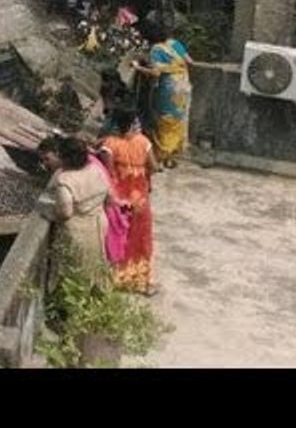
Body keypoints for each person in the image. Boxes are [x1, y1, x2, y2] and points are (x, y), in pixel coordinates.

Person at [99, 107, 160, 296]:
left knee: (117, 235)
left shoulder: (109, 144)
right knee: (141, 237)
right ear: (133, 124)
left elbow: (108, 173)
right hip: (140, 198)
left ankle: (116, 278)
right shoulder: (144, 142)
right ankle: (141, 281)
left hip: (118, 199)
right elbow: (155, 167)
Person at [36, 135, 112, 284]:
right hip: (99, 223)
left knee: (75, 270)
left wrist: (48, 213)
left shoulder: (65, 180)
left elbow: (65, 213)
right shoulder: (95, 169)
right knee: (95, 262)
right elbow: (107, 194)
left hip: (79, 231)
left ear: (63, 157)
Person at [133, 23, 193, 169]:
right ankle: (173, 156)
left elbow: (155, 73)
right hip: (184, 86)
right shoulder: (175, 43)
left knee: (165, 120)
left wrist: (138, 67)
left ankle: (161, 155)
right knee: (179, 119)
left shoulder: (156, 49)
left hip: (169, 89)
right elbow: (189, 61)